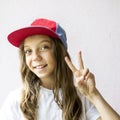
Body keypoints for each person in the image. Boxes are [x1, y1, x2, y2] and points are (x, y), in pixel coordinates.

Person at [0, 18, 119, 120]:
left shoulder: (81, 97)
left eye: (44, 47)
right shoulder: (16, 100)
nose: (35, 57)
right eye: (28, 51)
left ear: (60, 52)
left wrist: (94, 95)